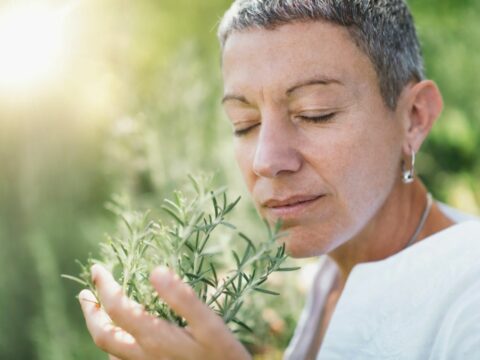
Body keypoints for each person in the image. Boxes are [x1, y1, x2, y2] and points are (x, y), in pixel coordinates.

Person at [79, 0, 480, 359]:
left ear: (414, 118)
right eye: (245, 123)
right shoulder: (325, 280)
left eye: (314, 112)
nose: (266, 160)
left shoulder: (469, 294)